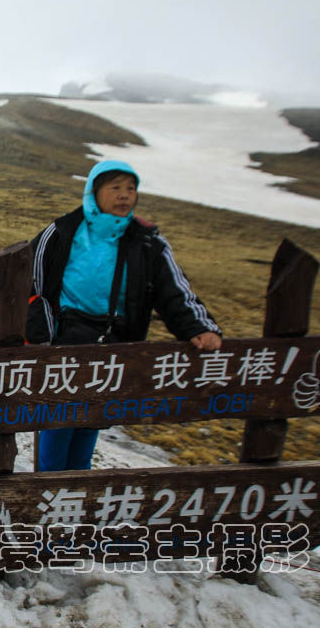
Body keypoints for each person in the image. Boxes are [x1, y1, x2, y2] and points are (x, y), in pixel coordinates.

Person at [26, 159, 222, 472]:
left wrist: (197, 327)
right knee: (58, 418)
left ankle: (73, 494)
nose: (124, 195)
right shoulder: (61, 232)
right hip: (64, 342)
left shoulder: (147, 242)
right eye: (115, 187)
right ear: (94, 192)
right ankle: (48, 494)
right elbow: (32, 285)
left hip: (114, 345)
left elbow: (174, 290)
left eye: (131, 189)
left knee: (91, 420)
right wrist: (38, 340)